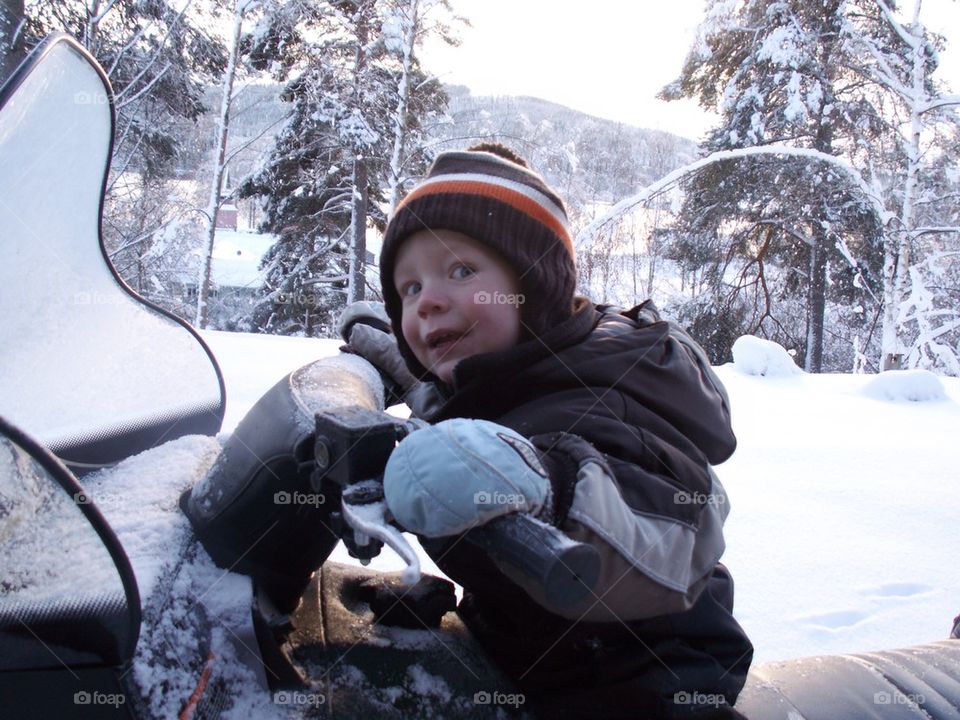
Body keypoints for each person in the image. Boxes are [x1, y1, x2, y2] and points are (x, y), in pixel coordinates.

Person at [341, 143, 753, 719]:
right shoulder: (503, 372)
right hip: (522, 652)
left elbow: (668, 531)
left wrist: (545, 492)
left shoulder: (605, 393)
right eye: (409, 289)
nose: (428, 301)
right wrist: (395, 359)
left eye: (460, 271)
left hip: (642, 679)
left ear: (533, 291)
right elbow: (450, 400)